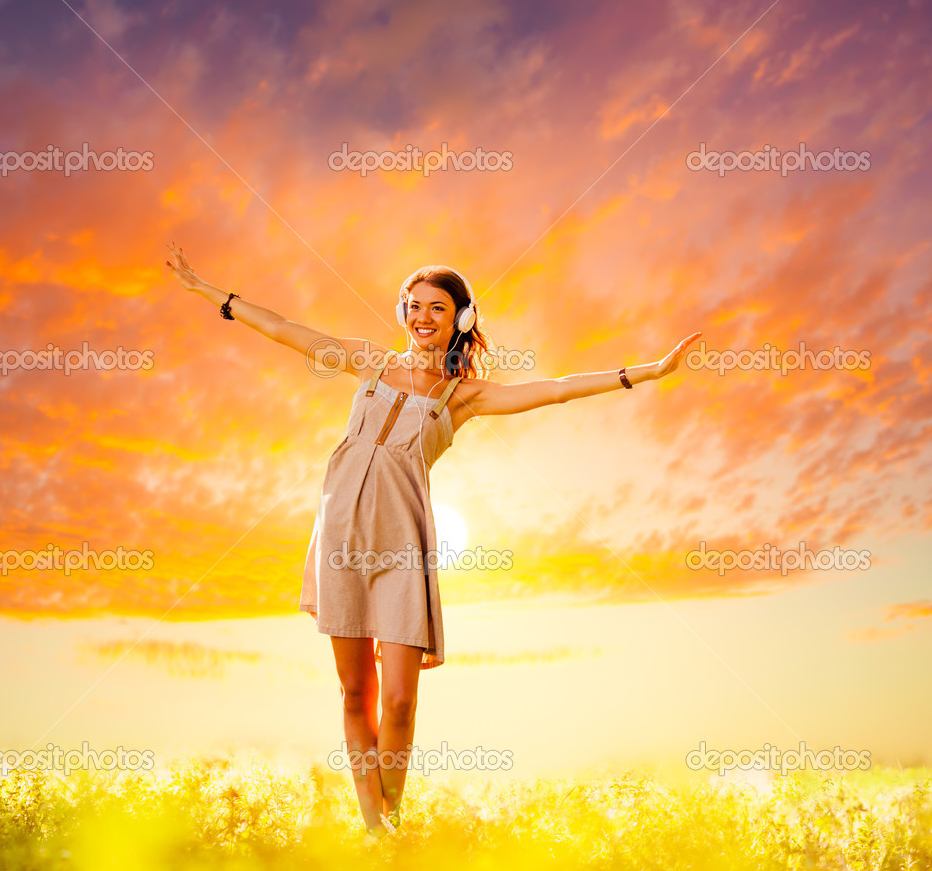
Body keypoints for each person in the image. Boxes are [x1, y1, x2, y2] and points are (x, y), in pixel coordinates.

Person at [165, 241, 700, 836]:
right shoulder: (368, 361)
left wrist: (646, 372)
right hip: (340, 534)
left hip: (402, 546)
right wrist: (210, 293)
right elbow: (286, 329)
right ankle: (378, 833)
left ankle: (390, 817)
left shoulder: (462, 394)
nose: (423, 317)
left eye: (437, 308)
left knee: (398, 700)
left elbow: (557, 388)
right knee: (353, 692)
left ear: (460, 319)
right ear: (403, 312)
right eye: (414, 306)